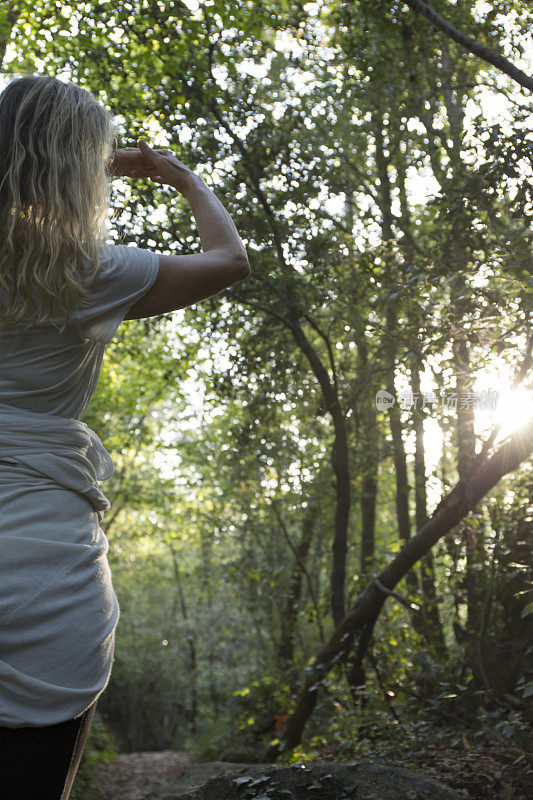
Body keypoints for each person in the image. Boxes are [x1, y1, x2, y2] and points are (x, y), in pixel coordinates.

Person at [0, 73, 249, 800]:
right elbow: (229, 260)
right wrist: (177, 176)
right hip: (42, 573)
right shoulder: (86, 269)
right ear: (81, 165)